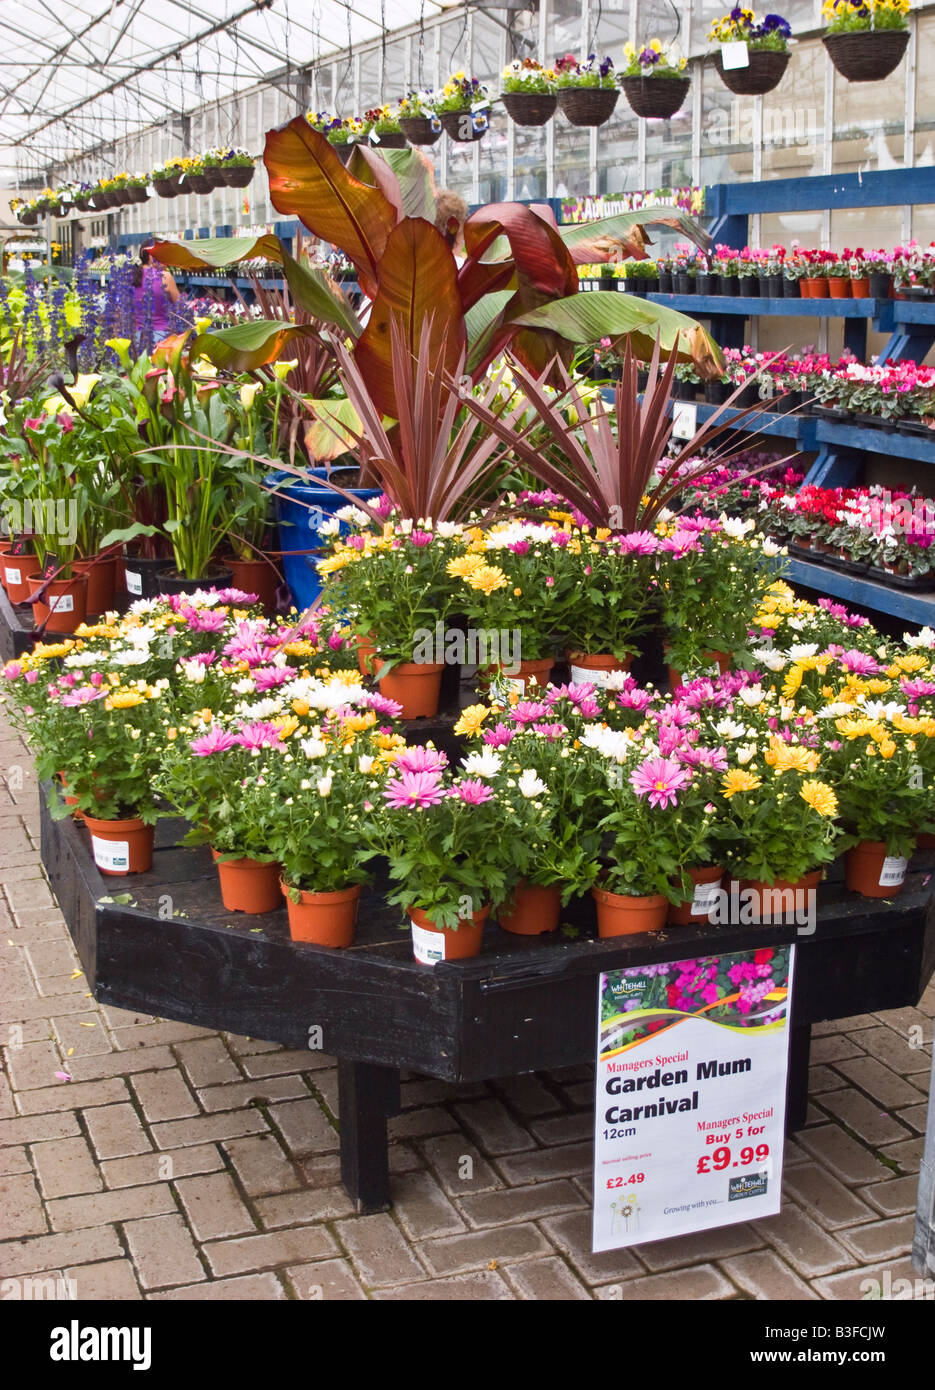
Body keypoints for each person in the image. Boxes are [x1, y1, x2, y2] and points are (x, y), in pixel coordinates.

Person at [132, 247, 180, 337]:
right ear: (151, 257)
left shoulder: (131, 276)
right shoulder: (165, 276)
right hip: (162, 337)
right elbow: (180, 306)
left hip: (136, 336)